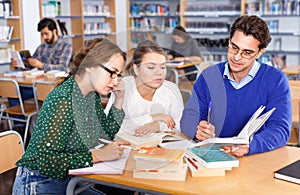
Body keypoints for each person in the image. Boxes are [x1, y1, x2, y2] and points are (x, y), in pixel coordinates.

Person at [12, 38, 130, 194]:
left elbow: (105, 135)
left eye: (118, 75)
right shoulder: (64, 99)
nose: (115, 81)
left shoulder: (90, 95)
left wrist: (119, 98)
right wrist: (97, 155)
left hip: (68, 180)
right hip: (40, 182)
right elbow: (47, 162)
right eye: (112, 73)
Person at [180, 15, 291, 157]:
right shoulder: (209, 76)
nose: (237, 57)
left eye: (247, 52)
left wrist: (251, 144)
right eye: (234, 47)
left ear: (260, 52)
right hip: (213, 155)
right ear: (229, 41)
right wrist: (196, 130)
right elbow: (189, 116)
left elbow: (280, 129)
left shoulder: (275, 80)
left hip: (255, 157)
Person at [106, 40, 184, 136]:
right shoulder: (124, 87)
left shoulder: (171, 89)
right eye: (151, 67)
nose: (159, 73)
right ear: (136, 69)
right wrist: (153, 117)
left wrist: (158, 125)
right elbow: (108, 126)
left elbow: (181, 125)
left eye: (163, 67)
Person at [8, 18, 73, 129]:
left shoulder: (66, 47)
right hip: (37, 86)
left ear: (55, 31)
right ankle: (21, 127)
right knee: (14, 91)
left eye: (46, 34)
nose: (44, 37)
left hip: (54, 86)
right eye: (42, 34)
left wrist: (41, 65)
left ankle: (47, 128)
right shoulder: (41, 48)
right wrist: (20, 63)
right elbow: (32, 66)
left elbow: (62, 67)